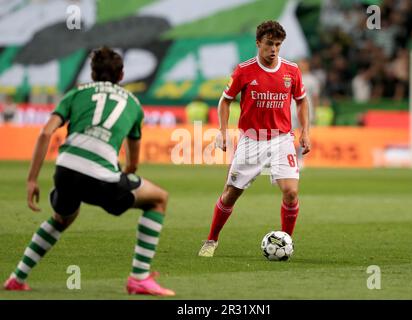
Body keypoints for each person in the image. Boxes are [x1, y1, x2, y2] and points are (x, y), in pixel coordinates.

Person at [3, 47, 175, 296]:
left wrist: (31, 180)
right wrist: (122, 178)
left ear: (92, 73)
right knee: (159, 198)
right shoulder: (134, 105)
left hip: (65, 170)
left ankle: (17, 278)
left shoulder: (75, 94)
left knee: (62, 218)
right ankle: (139, 277)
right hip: (100, 175)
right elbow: (133, 163)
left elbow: (45, 132)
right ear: (122, 74)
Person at [198, 20, 311, 257]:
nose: (274, 49)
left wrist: (306, 132)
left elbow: (301, 100)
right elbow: (225, 100)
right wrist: (222, 131)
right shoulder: (244, 70)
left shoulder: (292, 70)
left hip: (281, 139)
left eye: (278, 45)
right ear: (258, 42)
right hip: (252, 140)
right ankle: (211, 240)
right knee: (231, 194)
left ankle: (285, 242)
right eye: (269, 44)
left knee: (291, 192)